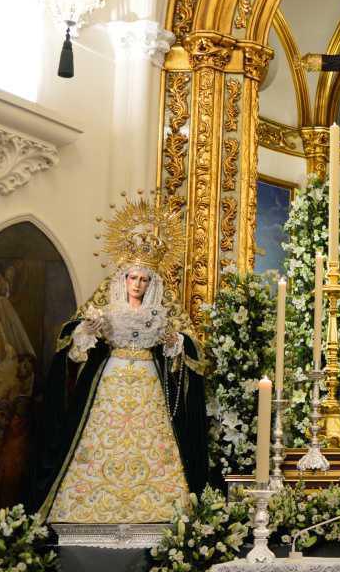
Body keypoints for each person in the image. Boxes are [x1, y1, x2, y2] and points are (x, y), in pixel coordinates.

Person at [27, 199, 210, 525]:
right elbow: (70, 343)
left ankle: (161, 513)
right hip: (109, 382)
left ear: (152, 284)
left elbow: (193, 354)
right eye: (133, 278)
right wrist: (87, 331)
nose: (138, 285)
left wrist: (175, 343)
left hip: (148, 384)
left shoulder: (162, 313)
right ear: (123, 278)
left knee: (153, 448)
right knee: (98, 443)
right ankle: (83, 512)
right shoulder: (105, 306)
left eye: (144, 280)